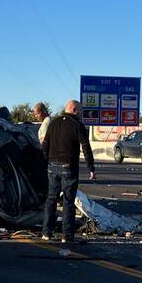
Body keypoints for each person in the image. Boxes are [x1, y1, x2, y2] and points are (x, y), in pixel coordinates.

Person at [41, 100, 96, 243]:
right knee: (68, 201)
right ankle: (67, 235)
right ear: (74, 109)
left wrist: (46, 161)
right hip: (68, 166)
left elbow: (45, 145)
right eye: (81, 111)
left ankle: (46, 232)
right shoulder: (77, 125)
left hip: (52, 166)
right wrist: (91, 168)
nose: (81, 114)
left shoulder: (53, 123)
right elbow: (86, 147)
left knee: (51, 199)